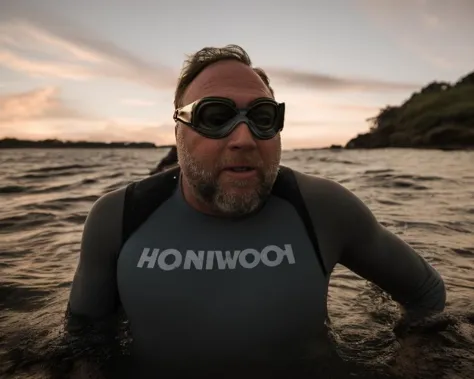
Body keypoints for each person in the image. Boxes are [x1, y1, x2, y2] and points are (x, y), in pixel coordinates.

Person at [65, 44, 446, 378]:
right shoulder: (117, 218)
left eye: (262, 117)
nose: (245, 139)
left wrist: (410, 367)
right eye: (215, 117)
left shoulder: (325, 208)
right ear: (178, 129)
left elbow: (426, 294)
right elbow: (81, 343)